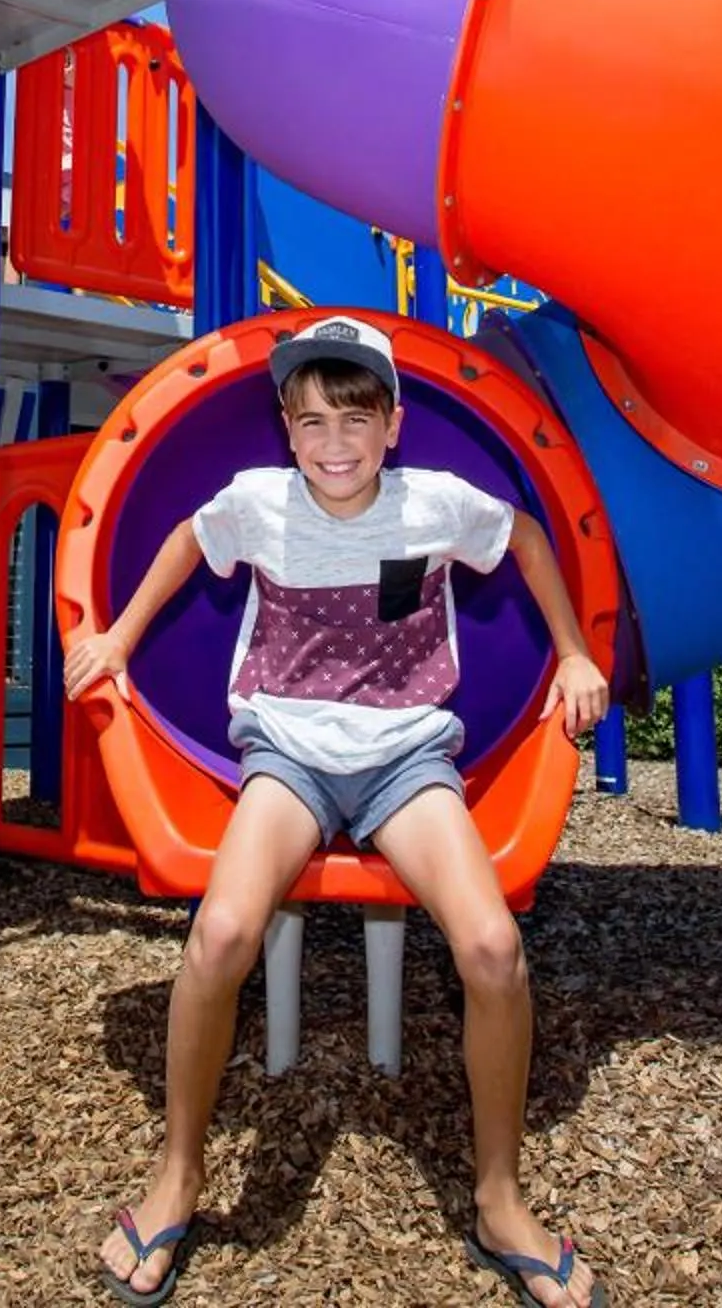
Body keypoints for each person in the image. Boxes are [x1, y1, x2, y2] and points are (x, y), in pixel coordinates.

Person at [64, 315, 611, 1308]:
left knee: (493, 949)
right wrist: (116, 634)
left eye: (355, 418)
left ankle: (499, 1196)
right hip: (290, 753)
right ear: (287, 426)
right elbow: (189, 537)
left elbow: (529, 536)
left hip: (405, 753)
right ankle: (179, 1175)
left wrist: (573, 648)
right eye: (311, 421)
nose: (334, 442)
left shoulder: (434, 503)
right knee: (220, 931)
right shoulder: (262, 504)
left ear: (393, 423)